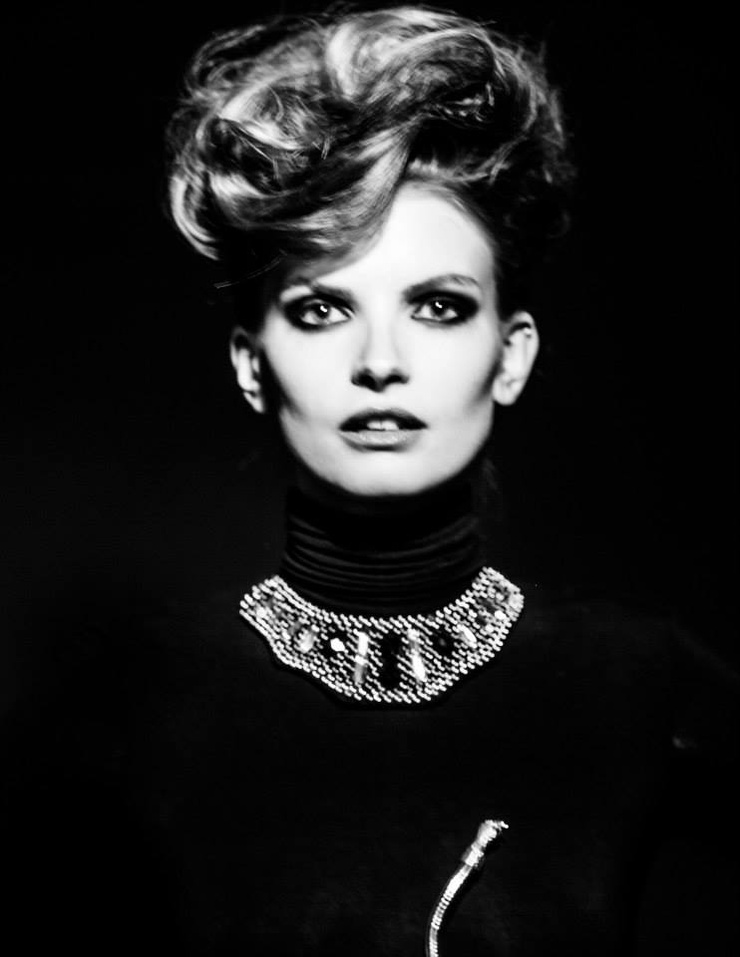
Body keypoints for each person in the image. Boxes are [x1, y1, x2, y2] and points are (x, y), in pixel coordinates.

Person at [2, 5, 737, 956]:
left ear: (512, 355)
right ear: (251, 363)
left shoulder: (640, 685)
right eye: (322, 310)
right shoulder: (123, 702)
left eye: (437, 307)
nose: (380, 361)